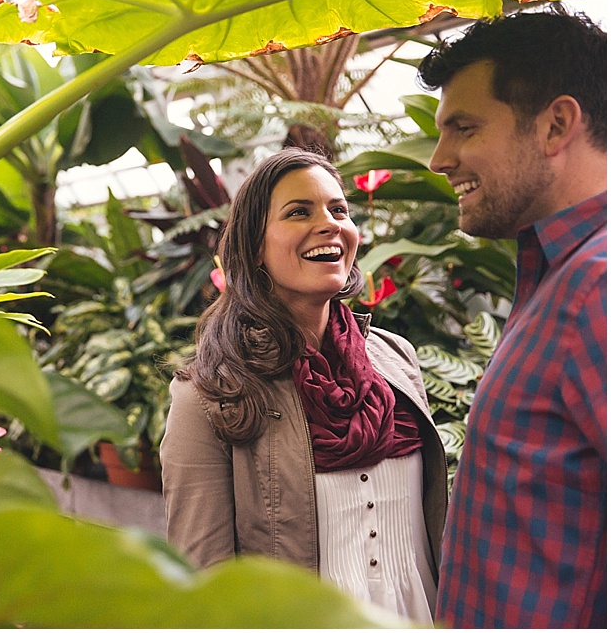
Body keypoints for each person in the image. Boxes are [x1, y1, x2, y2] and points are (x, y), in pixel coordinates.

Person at [160, 148, 448, 623]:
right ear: (254, 246)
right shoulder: (209, 396)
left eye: (339, 210)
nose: (331, 224)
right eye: (300, 212)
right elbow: (203, 583)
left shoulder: (396, 359)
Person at [417, 9, 607, 628]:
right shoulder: (558, 277)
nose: (439, 159)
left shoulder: (597, 284)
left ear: (556, 124)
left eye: (464, 128)